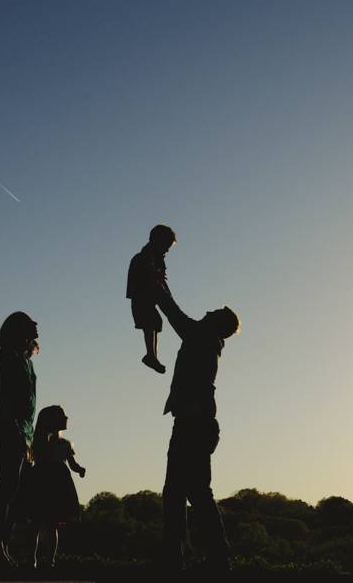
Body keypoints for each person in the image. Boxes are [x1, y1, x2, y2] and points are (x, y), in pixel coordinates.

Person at [154, 290, 240, 571]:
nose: (208, 311)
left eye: (215, 312)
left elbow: (175, 316)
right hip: (192, 424)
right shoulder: (206, 339)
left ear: (218, 324)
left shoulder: (202, 336)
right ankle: (191, 558)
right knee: (183, 493)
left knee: (189, 493)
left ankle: (211, 558)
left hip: (194, 426)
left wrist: (157, 288)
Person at [0, 311, 39, 567]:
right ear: (19, 330)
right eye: (30, 322)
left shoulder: (26, 359)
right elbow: (2, 398)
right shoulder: (8, 356)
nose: (36, 324)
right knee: (6, 490)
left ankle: (2, 548)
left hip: (24, 434)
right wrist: (16, 431)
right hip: (11, 431)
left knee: (15, 494)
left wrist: (28, 438)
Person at [25, 405, 86, 570]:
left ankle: (50, 562)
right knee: (36, 523)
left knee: (52, 525)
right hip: (41, 482)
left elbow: (72, 463)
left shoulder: (67, 444)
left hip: (59, 484)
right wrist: (44, 439)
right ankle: (32, 561)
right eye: (62, 416)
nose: (66, 419)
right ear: (49, 420)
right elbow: (40, 455)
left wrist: (79, 469)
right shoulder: (40, 441)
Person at [127, 225, 177, 373]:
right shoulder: (145, 254)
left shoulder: (159, 260)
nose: (167, 251)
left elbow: (162, 280)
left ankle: (152, 355)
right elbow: (151, 269)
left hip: (148, 297)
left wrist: (169, 297)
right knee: (149, 323)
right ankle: (151, 355)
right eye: (165, 246)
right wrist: (155, 274)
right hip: (140, 297)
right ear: (156, 241)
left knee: (155, 323)